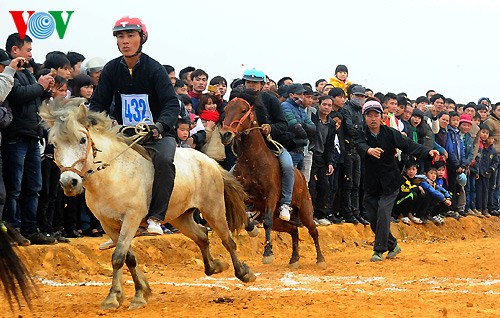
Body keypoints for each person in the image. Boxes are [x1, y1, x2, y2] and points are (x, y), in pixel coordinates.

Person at [90, 16, 179, 235]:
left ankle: (157, 218)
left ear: (142, 38)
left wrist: (159, 126)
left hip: (156, 133)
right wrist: (100, 123)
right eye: (121, 36)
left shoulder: (155, 69)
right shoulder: (110, 69)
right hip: (123, 133)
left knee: (165, 161)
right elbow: (98, 104)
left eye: (131, 36)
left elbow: (171, 103)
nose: (125, 41)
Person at [354, 100, 439, 262]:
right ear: (364, 117)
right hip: (371, 183)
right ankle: (393, 245)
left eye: (376, 115)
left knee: (383, 213)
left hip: (390, 182)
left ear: (381, 117)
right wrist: (369, 150)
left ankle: (378, 250)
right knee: (373, 219)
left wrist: (428, 152)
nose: (373, 119)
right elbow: (359, 145)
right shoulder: (361, 133)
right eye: (369, 115)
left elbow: (409, 145)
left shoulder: (391, 133)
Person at [3, 33, 56, 245]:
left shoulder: (27, 72)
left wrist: (44, 91)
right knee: (14, 187)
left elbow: (31, 100)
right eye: (28, 50)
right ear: (15, 50)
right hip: (16, 136)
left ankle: (30, 229)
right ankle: (13, 229)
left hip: (32, 136)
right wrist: (40, 86)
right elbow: (15, 95)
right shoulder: (9, 71)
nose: (31, 54)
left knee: (34, 187)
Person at [240, 68, 295, 222]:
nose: (251, 85)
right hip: (246, 149)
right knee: (230, 176)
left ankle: (285, 203)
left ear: (262, 84)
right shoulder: (238, 100)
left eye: (255, 82)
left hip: (271, 144)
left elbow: (283, 124)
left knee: (288, 166)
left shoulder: (271, 100)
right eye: (248, 82)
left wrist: (270, 127)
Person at [340, 85, 369, 225]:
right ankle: (348, 213)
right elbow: (350, 129)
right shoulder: (346, 109)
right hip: (347, 150)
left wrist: (359, 130)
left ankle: (355, 212)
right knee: (348, 183)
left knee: (356, 184)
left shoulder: (360, 112)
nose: (360, 98)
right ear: (351, 96)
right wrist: (360, 130)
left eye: (362, 96)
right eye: (358, 96)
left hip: (357, 150)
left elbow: (363, 129)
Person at [309, 95, 336, 225]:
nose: (326, 107)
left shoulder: (331, 123)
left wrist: (330, 162)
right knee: (311, 187)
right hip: (311, 155)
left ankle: (320, 215)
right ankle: (310, 215)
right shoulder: (312, 118)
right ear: (319, 104)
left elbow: (330, 145)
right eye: (324, 104)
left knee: (325, 187)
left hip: (323, 158)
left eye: (329, 105)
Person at [281, 83, 316, 169]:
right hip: (291, 149)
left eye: (303, 94)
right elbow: (294, 126)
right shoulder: (285, 106)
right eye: (299, 94)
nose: (302, 96)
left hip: (301, 150)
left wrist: (303, 125)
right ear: (291, 95)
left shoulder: (300, 109)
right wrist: (306, 134)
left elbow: (313, 128)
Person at [471, 125, 498, 217]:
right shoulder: (481, 147)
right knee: (478, 190)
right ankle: (478, 208)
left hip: (487, 174)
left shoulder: (493, 151)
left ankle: (485, 208)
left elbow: (496, 162)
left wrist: (491, 169)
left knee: (486, 191)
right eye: (484, 133)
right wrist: (477, 170)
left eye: (491, 138)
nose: (490, 140)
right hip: (478, 172)